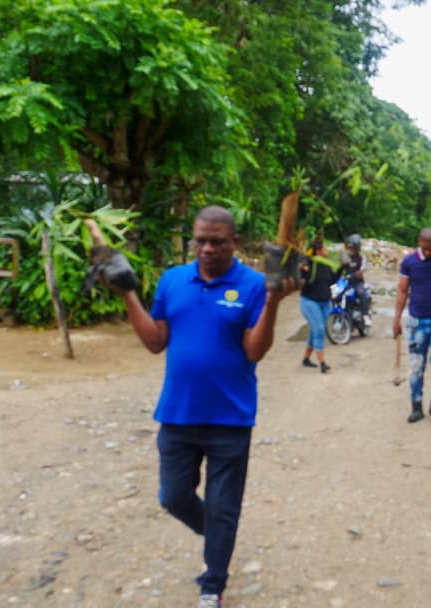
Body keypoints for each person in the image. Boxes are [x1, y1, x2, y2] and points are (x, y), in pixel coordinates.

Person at [109, 205, 296, 608]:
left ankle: (213, 584)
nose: (208, 249)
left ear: (235, 243)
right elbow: (155, 341)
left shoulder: (254, 285)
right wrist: (127, 293)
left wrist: (273, 302)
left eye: (217, 242)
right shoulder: (173, 280)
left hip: (230, 418)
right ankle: (217, 536)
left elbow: (254, 351)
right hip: (178, 413)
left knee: (224, 506)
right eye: (201, 241)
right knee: (173, 497)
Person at [393, 227, 431, 424]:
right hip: (417, 321)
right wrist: (396, 319)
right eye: (425, 248)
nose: (428, 252)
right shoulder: (409, 262)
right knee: (416, 365)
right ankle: (416, 406)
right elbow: (403, 291)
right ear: (419, 242)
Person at [299, 239, 336, 373]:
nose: (327, 250)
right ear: (318, 251)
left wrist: (343, 267)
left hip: (325, 302)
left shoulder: (326, 265)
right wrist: (304, 268)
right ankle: (323, 363)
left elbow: (333, 280)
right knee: (319, 330)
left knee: (316, 330)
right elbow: (304, 277)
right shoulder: (308, 264)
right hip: (310, 302)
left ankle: (306, 359)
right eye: (324, 248)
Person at [341, 233, 371, 326]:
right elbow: (341, 266)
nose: (350, 249)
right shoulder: (345, 256)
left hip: (357, 283)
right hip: (346, 282)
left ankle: (365, 315)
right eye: (349, 247)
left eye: (352, 248)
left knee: (361, 293)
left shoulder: (362, 257)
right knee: (335, 294)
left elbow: (362, 269)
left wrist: (357, 274)